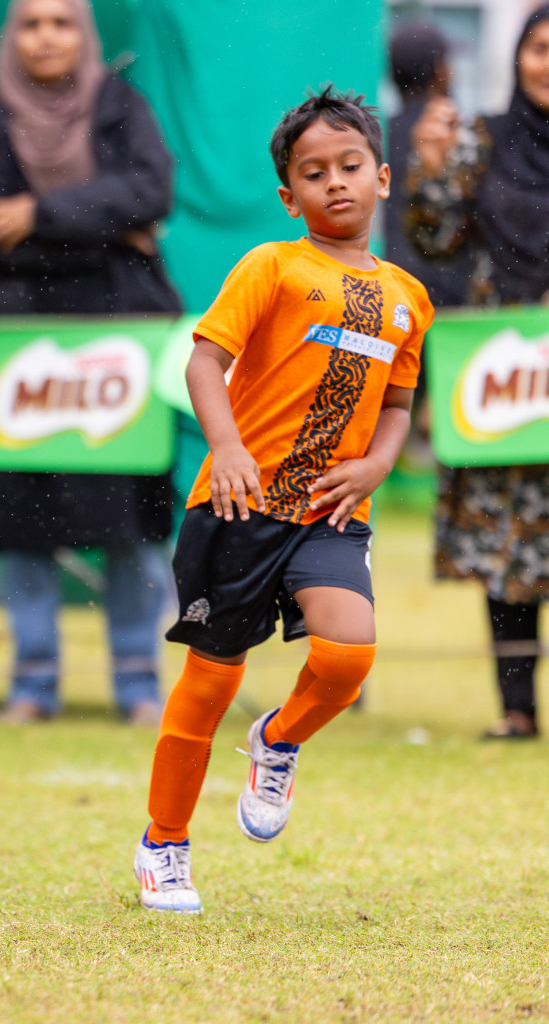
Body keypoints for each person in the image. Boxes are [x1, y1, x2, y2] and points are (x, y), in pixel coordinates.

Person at [133, 87, 432, 914]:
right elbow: (203, 363)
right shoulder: (270, 266)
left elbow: (400, 407)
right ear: (288, 196)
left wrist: (374, 468)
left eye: (348, 167)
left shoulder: (410, 298)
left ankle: (278, 740)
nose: (333, 183)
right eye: (313, 173)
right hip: (240, 507)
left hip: (332, 513)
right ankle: (164, 845)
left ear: (381, 176)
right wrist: (227, 447)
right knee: (210, 682)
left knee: (347, 654)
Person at [0, 0, 178, 725]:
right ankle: (33, 684)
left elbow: (152, 190)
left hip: (121, 338)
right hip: (19, 341)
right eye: (30, 23)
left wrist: (38, 216)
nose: (46, 36)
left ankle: (140, 685)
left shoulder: (120, 103)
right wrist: (107, 228)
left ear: (83, 35)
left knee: (133, 515)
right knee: (24, 518)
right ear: (10, 36)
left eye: (61, 23)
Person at [406, 5, 549, 739]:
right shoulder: (485, 140)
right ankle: (516, 709)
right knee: (506, 547)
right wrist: (430, 175)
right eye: (538, 49)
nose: (546, 64)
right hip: (504, 369)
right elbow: (435, 239)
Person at [385, 22, 471, 309]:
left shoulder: (378, 136)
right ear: (440, 69)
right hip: (453, 299)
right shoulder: (460, 134)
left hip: (394, 291)